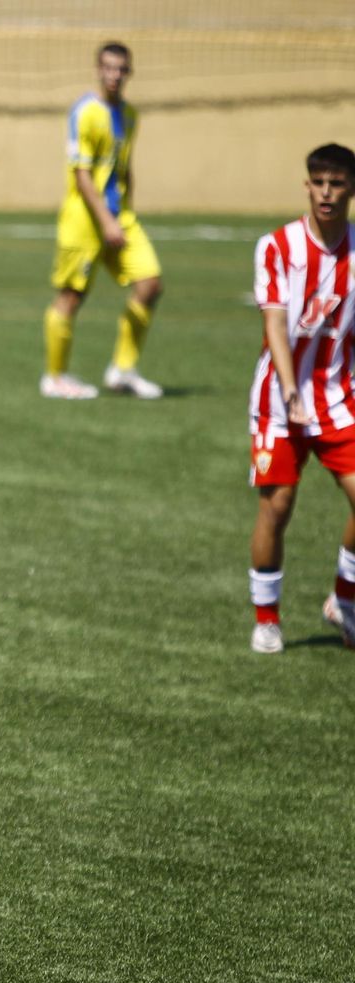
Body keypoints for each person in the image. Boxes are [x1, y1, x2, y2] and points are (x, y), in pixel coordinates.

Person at [246, 143, 355, 654]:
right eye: (319, 183)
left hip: (338, 397)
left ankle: (344, 600)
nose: (326, 193)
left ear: (350, 188)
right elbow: (275, 324)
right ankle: (267, 618)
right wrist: (291, 390)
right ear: (307, 186)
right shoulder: (277, 246)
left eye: (337, 183)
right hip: (279, 398)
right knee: (279, 506)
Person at [41, 42, 164, 400]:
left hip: (120, 216)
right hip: (84, 220)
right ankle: (55, 377)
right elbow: (81, 174)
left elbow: (124, 167)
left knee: (149, 284)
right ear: (98, 69)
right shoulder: (85, 112)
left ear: (129, 73)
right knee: (71, 296)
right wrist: (106, 222)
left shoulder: (130, 116)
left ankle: (122, 370)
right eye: (108, 68)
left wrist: (125, 211)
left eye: (121, 69)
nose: (114, 75)